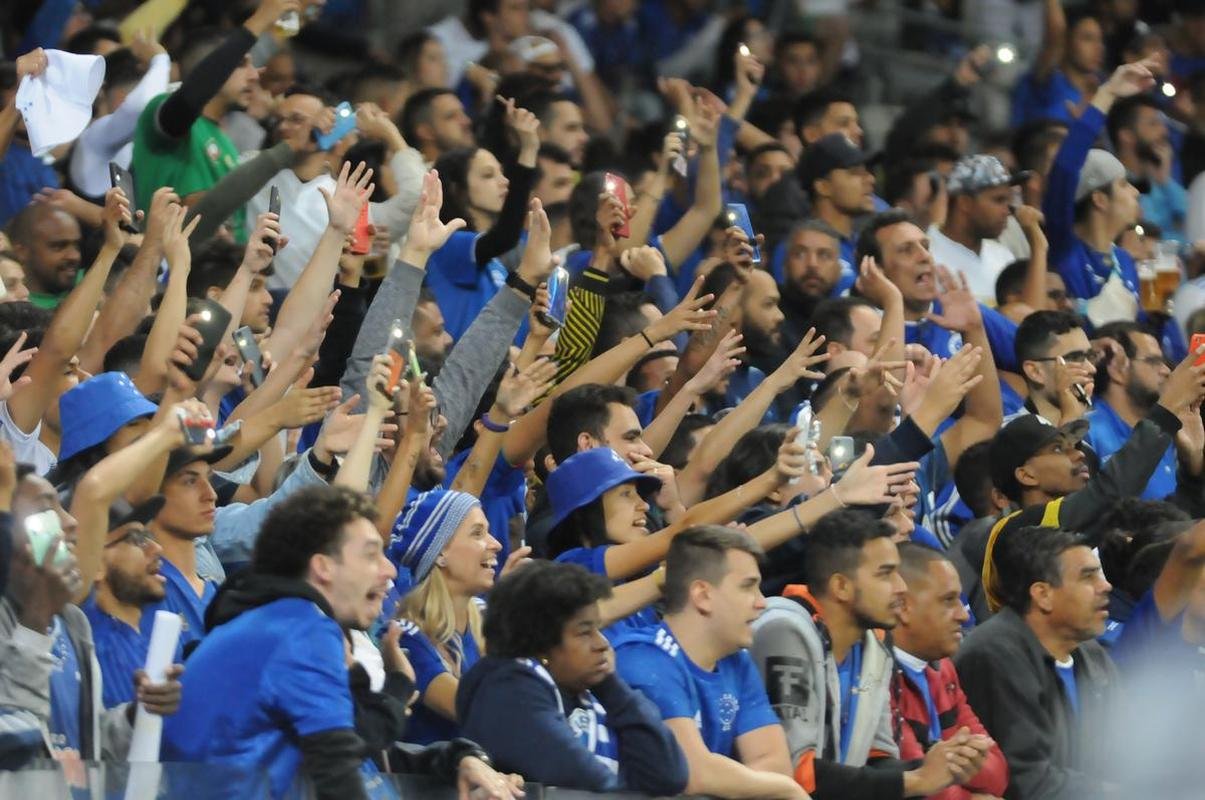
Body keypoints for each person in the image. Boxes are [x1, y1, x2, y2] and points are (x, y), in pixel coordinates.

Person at [162, 485, 397, 798]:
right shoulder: (303, 629)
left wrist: (449, 758)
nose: (389, 569)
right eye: (371, 554)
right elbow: (337, 772)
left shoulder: (265, 622)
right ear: (323, 567)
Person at [751, 509, 992, 799]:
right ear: (841, 586)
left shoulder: (874, 644)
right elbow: (794, 775)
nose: (901, 588)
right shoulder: (785, 631)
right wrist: (915, 780)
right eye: (886, 574)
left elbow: (875, 760)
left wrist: (939, 768)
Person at [457, 559, 690, 795]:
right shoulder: (508, 691)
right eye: (584, 632)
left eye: (598, 629)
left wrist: (610, 685)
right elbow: (591, 787)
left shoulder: (585, 689)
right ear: (541, 642)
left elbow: (669, 777)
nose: (602, 644)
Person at [0, 464, 182, 765]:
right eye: (46, 509)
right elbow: (10, 742)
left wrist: (137, 714)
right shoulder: (28, 616)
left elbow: (92, 747)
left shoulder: (72, 623)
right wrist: (36, 619)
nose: (70, 522)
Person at [614, 526, 807, 800]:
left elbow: (774, 762)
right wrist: (784, 789)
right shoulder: (644, 658)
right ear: (702, 595)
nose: (761, 603)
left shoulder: (735, 660)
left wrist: (771, 785)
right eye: (748, 587)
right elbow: (691, 773)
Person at [956, 525, 1122, 799]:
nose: (1106, 586)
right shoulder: (995, 655)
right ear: (1042, 594)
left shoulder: (1092, 655)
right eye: (1087, 577)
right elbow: (1026, 780)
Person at [131, 1, 304, 242]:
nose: (255, 76)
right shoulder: (166, 115)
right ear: (212, 65)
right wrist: (258, 22)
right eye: (242, 64)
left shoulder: (227, 144)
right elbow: (191, 99)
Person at [891, 543, 1010, 800]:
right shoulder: (878, 681)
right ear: (902, 606)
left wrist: (953, 766)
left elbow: (998, 771)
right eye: (948, 600)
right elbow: (920, 787)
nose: (963, 615)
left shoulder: (943, 668)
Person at [389, 489, 505, 745]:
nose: (496, 544)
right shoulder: (406, 637)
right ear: (439, 553)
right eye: (478, 533)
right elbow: (478, 712)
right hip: (431, 783)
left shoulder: (485, 622)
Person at [1084, 321, 1191, 501]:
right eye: (1153, 361)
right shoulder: (1088, 432)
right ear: (1117, 369)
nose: (1166, 370)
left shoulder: (1169, 431)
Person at [926, 155, 1024, 304]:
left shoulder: (1003, 256)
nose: (1007, 210)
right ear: (965, 203)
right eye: (998, 200)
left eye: (1008, 200)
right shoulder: (926, 255)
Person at [1012, 310, 1096, 425]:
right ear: (1035, 371)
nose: (1091, 369)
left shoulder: (1096, 430)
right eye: (1075, 358)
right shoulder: (1012, 434)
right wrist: (1071, 422)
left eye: (1090, 356)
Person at [400, 88, 476, 166]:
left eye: (463, 113)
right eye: (451, 116)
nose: (467, 121)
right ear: (426, 131)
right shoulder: (419, 176)